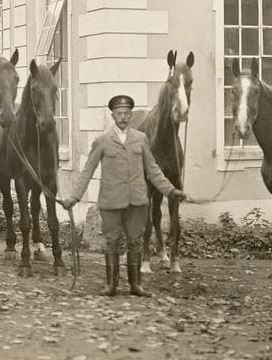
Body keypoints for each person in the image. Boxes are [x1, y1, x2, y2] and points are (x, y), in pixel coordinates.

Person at [62, 95, 188, 297]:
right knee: (112, 241)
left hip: (137, 201)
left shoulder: (141, 139)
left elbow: (154, 170)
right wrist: (74, 197)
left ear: (130, 115)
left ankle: (135, 285)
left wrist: (172, 191)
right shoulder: (102, 141)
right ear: (113, 116)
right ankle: (111, 285)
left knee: (135, 241)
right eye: (119, 113)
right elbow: (87, 171)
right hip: (111, 201)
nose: (122, 117)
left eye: (126, 113)